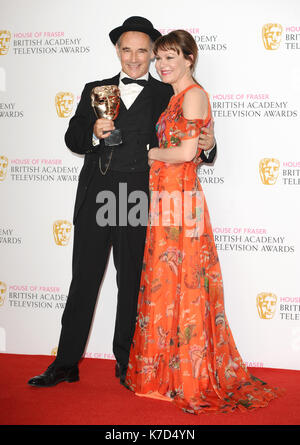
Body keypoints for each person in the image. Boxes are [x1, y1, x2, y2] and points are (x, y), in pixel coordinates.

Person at [27, 17, 216, 388]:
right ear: (117, 51)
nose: (134, 58)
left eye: (143, 50)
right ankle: (65, 363)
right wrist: (94, 134)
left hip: (140, 199)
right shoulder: (93, 89)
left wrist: (209, 147)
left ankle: (127, 363)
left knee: (131, 283)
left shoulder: (168, 93)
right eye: (127, 50)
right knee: (84, 279)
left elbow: (191, 137)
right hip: (97, 195)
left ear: (153, 53)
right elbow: (72, 137)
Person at [125, 30, 283, 414]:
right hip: (168, 201)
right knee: (169, 283)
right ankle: (168, 373)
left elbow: (184, 151)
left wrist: (149, 153)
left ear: (190, 58)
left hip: (180, 200)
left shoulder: (193, 95)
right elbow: (193, 147)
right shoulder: (176, 97)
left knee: (184, 282)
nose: (162, 65)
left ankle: (187, 375)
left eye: (170, 57)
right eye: (159, 58)